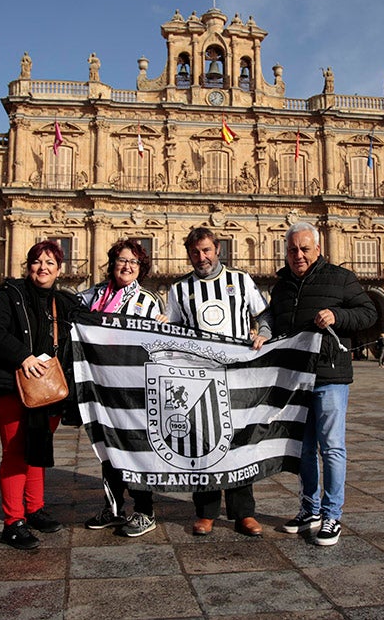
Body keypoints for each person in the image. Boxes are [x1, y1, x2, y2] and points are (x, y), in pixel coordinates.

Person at [270, 222, 376, 546]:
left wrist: (337, 316)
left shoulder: (341, 279)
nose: (298, 255)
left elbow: (368, 312)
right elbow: (272, 320)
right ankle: (309, 509)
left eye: (304, 249)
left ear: (318, 249)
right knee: (302, 450)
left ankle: (332, 515)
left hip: (330, 376)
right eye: (292, 250)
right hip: (296, 379)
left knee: (331, 448)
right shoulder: (281, 287)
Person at [0, 240, 77, 549]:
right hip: (12, 385)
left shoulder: (63, 302)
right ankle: (13, 521)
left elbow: (95, 323)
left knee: (39, 446)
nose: (42, 267)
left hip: (49, 388)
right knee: (16, 452)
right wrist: (23, 357)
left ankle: (34, 509)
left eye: (50, 263)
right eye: (37, 262)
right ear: (28, 266)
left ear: (59, 269)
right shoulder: (9, 295)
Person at [167, 227, 271, 538]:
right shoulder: (179, 290)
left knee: (240, 443)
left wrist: (264, 332)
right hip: (198, 379)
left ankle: (244, 513)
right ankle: (206, 512)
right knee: (203, 444)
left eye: (207, 250)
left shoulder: (240, 281)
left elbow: (264, 314)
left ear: (218, 250)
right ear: (189, 254)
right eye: (196, 252)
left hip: (238, 376)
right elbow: (170, 330)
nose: (202, 257)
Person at [79, 238, 162, 537]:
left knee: (136, 446)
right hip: (100, 385)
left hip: (134, 387)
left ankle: (144, 510)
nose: (126, 266)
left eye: (133, 262)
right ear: (112, 263)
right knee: (106, 447)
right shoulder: (92, 296)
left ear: (141, 268)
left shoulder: (148, 301)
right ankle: (113, 508)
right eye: (121, 260)